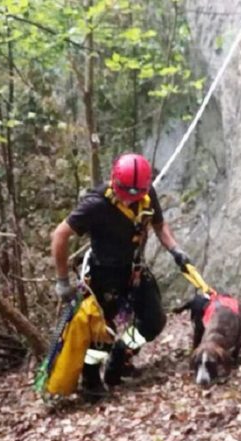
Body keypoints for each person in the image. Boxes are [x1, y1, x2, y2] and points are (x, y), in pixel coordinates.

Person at [49, 153, 190, 397]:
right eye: (125, 193)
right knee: (100, 335)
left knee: (154, 321)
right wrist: (62, 281)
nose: (129, 199)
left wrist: (175, 249)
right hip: (104, 275)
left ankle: (122, 353)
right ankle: (91, 381)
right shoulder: (95, 204)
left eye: (134, 195)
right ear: (114, 181)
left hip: (133, 270)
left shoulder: (146, 195)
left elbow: (159, 224)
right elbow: (59, 235)